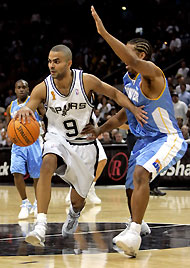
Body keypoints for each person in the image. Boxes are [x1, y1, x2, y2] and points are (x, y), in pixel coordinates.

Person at [15, 44, 147, 247]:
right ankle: (40, 225)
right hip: (57, 139)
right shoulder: (43, 88)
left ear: (69, 63)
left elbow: (115, 94)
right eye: (49, 61)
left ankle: (74, 213)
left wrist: (133, 110)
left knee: (78, 200)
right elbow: (29, 105)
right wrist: (23, 111)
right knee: (47, 163)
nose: (51, 65)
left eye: (56, 61)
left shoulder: (86, 81)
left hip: (84, 145)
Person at [82, 6, 188, 257]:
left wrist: (104, 33)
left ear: (140, 54)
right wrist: (99, 129)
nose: (123, 58)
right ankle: (137, 222)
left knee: (141, 173)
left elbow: (132, 61)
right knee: (130, 184)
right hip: (144, 140)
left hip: (166, 138)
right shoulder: (129, 82)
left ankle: (134, 232)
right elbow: (122, 114)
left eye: (127, 52)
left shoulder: (153, 73)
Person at [6, 79, 45, 219]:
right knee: (16, 172)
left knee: (36, 176)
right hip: (18, 145)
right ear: (15, 90)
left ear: (28, 89)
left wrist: (44, 129)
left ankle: (37, 203)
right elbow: (9, 125)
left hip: (34, 143)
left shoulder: (35, 102)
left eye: (24, 87)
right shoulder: (11, 107)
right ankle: (25, 203)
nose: (21, 89)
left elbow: (45, 116)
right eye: (19, 87)